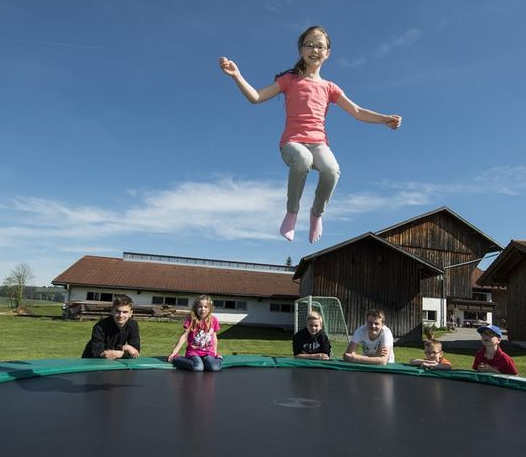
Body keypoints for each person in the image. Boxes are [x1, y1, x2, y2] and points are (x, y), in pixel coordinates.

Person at [219, 25, 402, 244]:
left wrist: (384, 119)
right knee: (303, 160)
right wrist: (237, 75)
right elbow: (256, 97)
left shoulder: (329, 87)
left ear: (327, 53)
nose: (314, 49)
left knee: (332, 170)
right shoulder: (290, 80)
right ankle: (292, 212)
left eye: (320, 46)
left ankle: (316, 214)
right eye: (309, 44)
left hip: (319, 143)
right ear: (301, 50)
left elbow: (357, 112)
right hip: (292, 143)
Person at [167, 295, 222, 372]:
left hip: (208, 353)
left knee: (215, 368)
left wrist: (215, 354)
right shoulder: (192, 319)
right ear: (195, 308)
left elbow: (214, 338)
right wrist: (173, 353)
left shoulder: (214, 320)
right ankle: (176, 359)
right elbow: (184, 336)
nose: (203, 309)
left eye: (206, 307)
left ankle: (219, 358)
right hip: (194, 352)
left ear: (210, 308)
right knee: (198, 367)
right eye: (200, 306)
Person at [82, 295, 140, 359]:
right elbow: (97, 352)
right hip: (91, 360)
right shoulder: (99, 327)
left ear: (130, 313)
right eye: (118, 311)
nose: (121, 315)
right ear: (112, 311)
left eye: (125, 312)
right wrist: (124, 352)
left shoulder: (133, 325)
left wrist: (119, 354)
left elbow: (135, 351)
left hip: (115, 361)